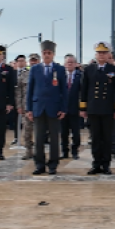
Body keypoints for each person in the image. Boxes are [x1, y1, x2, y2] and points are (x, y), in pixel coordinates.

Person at [80, 42, 115, 175]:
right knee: (95, 138)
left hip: (108, 109)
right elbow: (84, 89)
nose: (101, 55)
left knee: (107, 138)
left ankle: (106, 164)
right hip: (93, 108)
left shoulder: (114, 70)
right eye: (99, 53)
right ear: (96, 54)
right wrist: (83, 107)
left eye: (104, 53)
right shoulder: (89, 69)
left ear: (108, 54)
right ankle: (96, 163)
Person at [26, 40, 67, 175]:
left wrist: (63, 108)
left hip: (54, 108)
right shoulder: (35, 69)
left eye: (49, 53)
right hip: (38, 107)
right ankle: (39, 165)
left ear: (53, 54)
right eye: (44, 53)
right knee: (38, 138)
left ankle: (53, 164)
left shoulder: (59, 69)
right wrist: (29, 109)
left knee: (54, 139)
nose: (46, 55)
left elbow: (64, 91)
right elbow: (30, 90)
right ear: (41, 54)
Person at [17, 53, 39, 160]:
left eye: (35, 60)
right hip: (26, 107)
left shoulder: (43, 73)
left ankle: (39, 152)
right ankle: (28, 151)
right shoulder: (24, 74)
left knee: (40, 131)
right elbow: (19, 91)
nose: (33, 62)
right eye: (32, 60)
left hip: (39, 107)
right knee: (26, 131)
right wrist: (19, 105)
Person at [62, 54, 83, 160]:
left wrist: (82, 108)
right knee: (63, 132)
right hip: (63, 110)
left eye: (71, 62)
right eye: (67, 62)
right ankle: (64, 151)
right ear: (64, 64)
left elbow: (82, 93)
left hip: (75, 109)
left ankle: (75, 151)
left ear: (75, 64)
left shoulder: (81, 75)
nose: (69, 64)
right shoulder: (60, 75)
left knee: (76, 132)